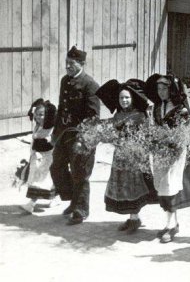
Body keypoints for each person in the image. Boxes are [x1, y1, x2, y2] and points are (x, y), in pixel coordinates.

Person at [50, 46, 100, 225]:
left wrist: (84, 140)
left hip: (81, 136)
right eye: (66, 63)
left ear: (82, 64)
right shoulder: (65, 81)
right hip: (64, 133)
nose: (67, 67)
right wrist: (55, 133)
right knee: (56, 167)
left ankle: (80, 210)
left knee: (80, 173)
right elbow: (62, 108)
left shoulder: (90, 85)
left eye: (71, 63)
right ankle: (73, 199)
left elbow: (93, 116)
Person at [97, 79, 155, 233]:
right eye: (121, 98)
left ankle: (134, 219)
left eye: (127, 98)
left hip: (134, 157)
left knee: (133, 187)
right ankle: (132, 218)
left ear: (132, 98)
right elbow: (114, 132)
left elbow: (146, 136)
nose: (124, 101)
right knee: (123, 187)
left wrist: (134, 148)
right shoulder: (118, 115)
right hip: (120, 157)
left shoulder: (140, 116)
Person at [145, 74, 190, 243]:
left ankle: (170, 226)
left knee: (170, 186)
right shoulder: (157, 107)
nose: (161, 92)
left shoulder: (181, 109)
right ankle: (172, 222)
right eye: (159, 89)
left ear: (171, 89)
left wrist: (173, 144)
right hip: (160, 153)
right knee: (162, 187)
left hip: (175, 154)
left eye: (165, 88)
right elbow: (154, 128)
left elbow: (185, 134)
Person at [21, 99, 57, 213]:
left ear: (48, 116)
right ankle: (54, 198)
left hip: (46, 159)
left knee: (40, 180)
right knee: (41, 180)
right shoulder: (37, 126)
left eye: (41, 114)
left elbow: (50, 144)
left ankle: (32, 203)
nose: (38, 117)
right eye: (36, 114)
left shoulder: (50, 129)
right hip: (36, 158)